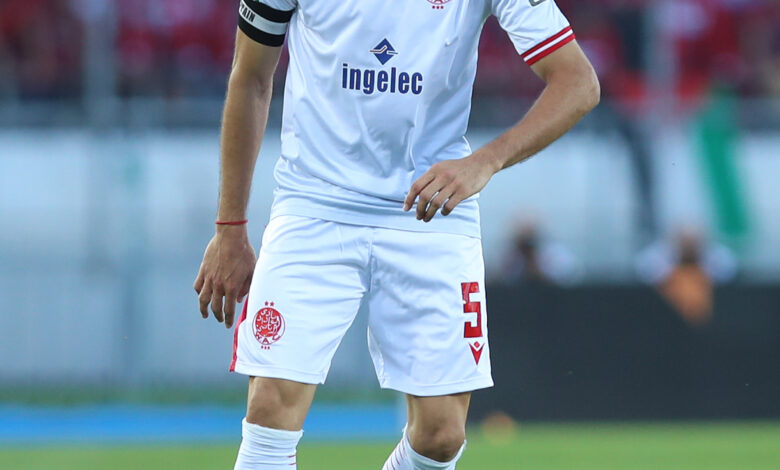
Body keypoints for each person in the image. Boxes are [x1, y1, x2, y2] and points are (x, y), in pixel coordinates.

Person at [193, 0, 599, 468]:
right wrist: (229, 228)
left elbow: (578, 82)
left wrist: (485, 161)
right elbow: (250, 78)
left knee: (441, 436)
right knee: (270, 408)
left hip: (431, 207)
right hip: (315, 204)